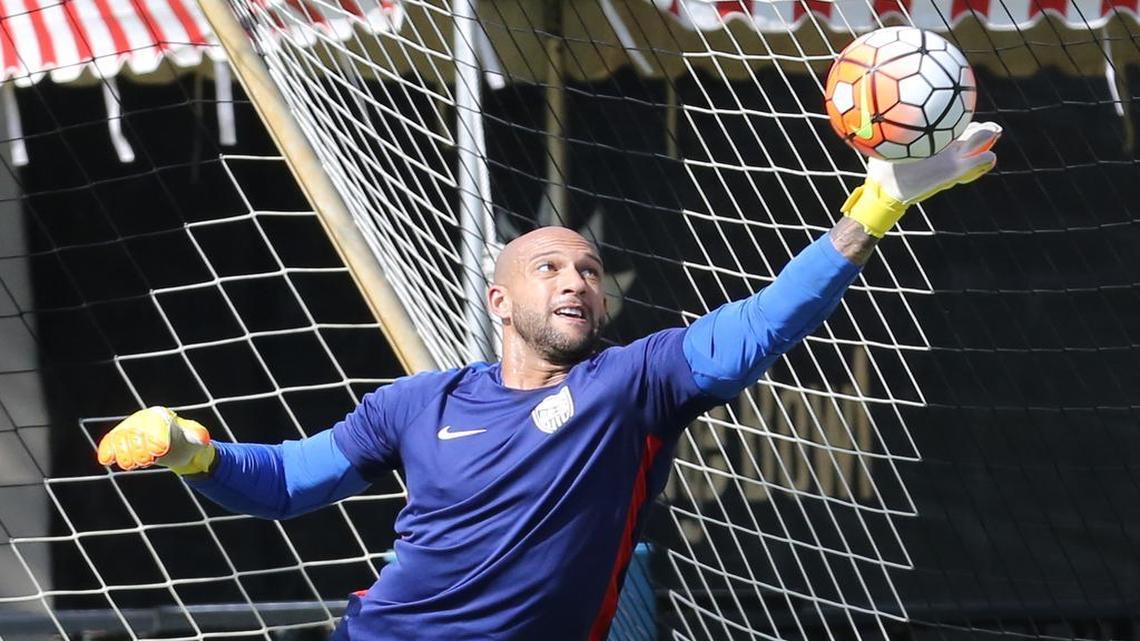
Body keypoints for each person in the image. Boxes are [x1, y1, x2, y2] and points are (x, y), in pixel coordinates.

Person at [96, 122, 1001, 640]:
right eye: (551, 267)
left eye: (590, 269)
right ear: (500, 298)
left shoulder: (632, 381)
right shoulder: (420, 402)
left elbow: (762, 322)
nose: (576, 279)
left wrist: (874, 205)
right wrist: (191, 450)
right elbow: (292, 482)